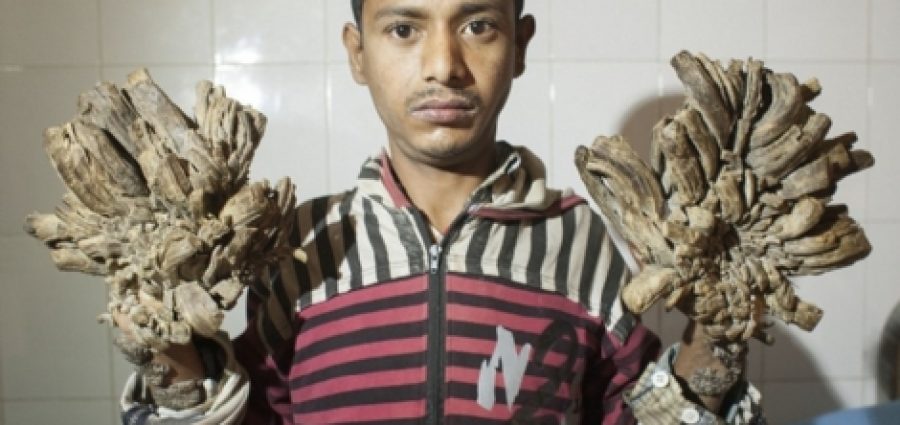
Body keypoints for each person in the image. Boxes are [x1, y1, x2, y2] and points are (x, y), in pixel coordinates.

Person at [119, 0, 763, 423]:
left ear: (520, 44)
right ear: (358, 52)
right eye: (404, 29)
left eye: (477, 25)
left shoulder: (579, 240)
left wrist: (715, 341)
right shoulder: (299, 244)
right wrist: (173, 360)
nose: (444, 66)